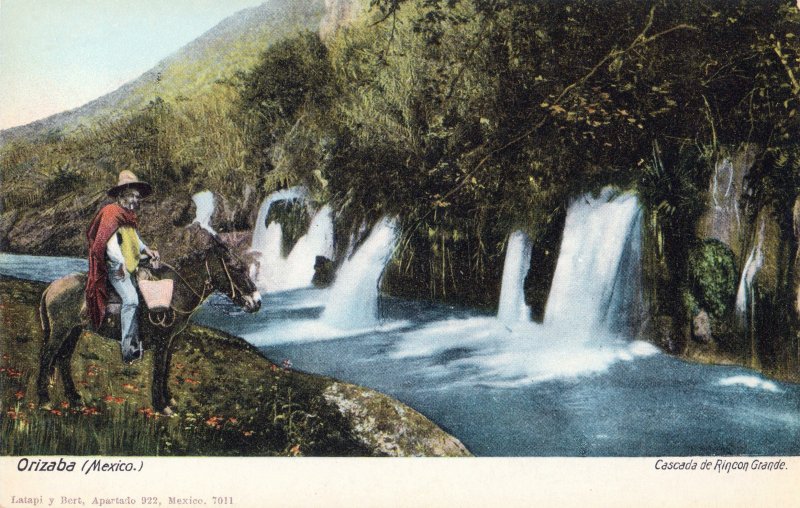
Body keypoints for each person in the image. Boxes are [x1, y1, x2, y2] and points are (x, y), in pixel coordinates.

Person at [85, 170, 160, 363]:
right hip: (116, 267)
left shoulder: (127, 215)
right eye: (133, 196)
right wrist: (120, 265)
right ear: (122, 194)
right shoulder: (111, 212)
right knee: (132, 300)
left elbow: (134, 239)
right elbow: (109, 244)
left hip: (130, 264)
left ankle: (142, 339)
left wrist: (147, 250)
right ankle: (128, 349)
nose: (136, 200)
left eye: (137, 197)